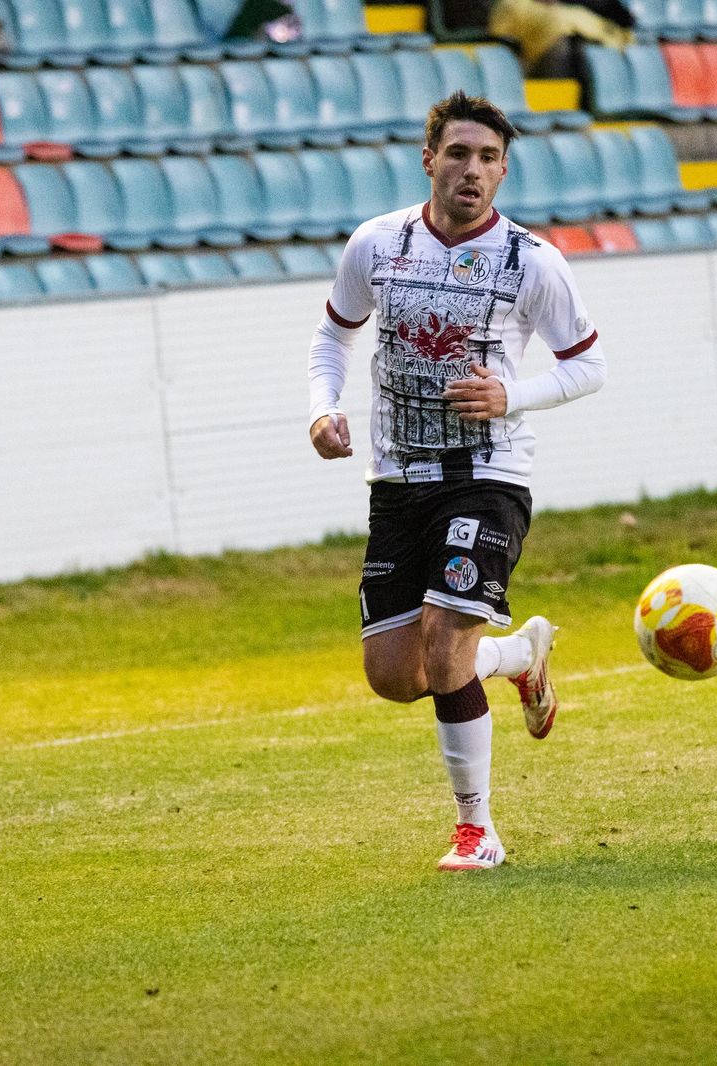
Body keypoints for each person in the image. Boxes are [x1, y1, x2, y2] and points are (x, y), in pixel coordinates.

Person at [307, 91, 608, 872]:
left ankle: (477, 831)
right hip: (398, 478)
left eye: (487, 159)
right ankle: (515, 659)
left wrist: (515, 394)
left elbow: (588, 366)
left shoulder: (532, 261)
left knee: (444, 646)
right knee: (395, 677)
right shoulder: (377, 244)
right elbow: (331, 337)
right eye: (458, 154)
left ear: (504, 171)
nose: (471, 171)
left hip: (488, 474)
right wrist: (321, 410)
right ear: (429, 158)